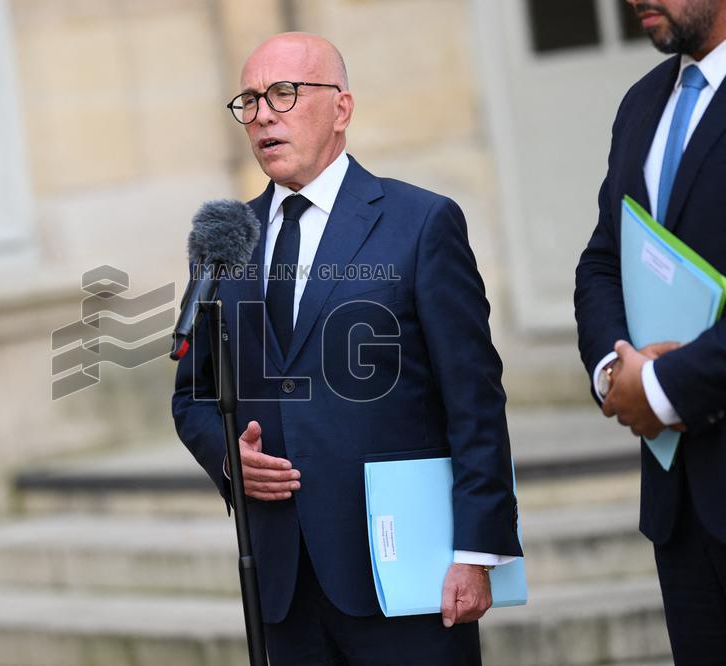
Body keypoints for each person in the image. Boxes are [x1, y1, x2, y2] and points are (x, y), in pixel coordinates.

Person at [172, 32, 520, 665]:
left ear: (341, 108)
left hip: (406, 574)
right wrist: (229, 461)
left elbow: (474, 398)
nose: (263, 115)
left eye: (283, 93)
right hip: (284, 584)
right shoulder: (225, 238)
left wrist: (476, 552)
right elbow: (191, 393)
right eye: (248, 100)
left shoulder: (421, 223)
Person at [574, 0, 726, 660]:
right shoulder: (641, 103)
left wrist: (665, 387)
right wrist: (618, 373)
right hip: (681, 508)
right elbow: (604, 258)